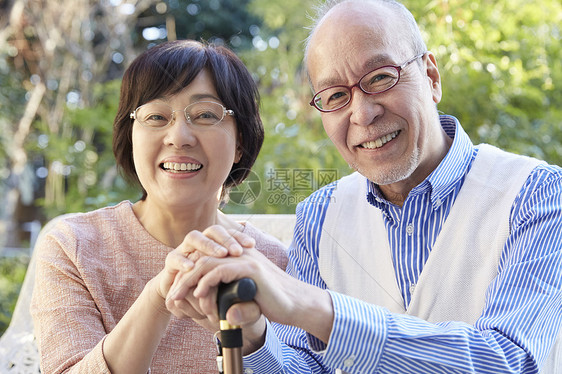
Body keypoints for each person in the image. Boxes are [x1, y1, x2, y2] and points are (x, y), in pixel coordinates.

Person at [166, 0, 562, 373]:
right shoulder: (321, 214)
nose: (363, 113)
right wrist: (254, 337)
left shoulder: (536, 193)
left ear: (431, 77)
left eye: (380, 78)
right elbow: (305, 365)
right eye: (336, 95)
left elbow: (510, 360)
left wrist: (313, 307)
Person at [30, 39, 288, 374]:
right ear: (130, 135)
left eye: (206, 114)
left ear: (240, 142)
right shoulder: (73, 247)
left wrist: (251, 334)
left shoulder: (272, 261)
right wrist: (157, 297)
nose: (179, 136)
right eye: (156, 116)